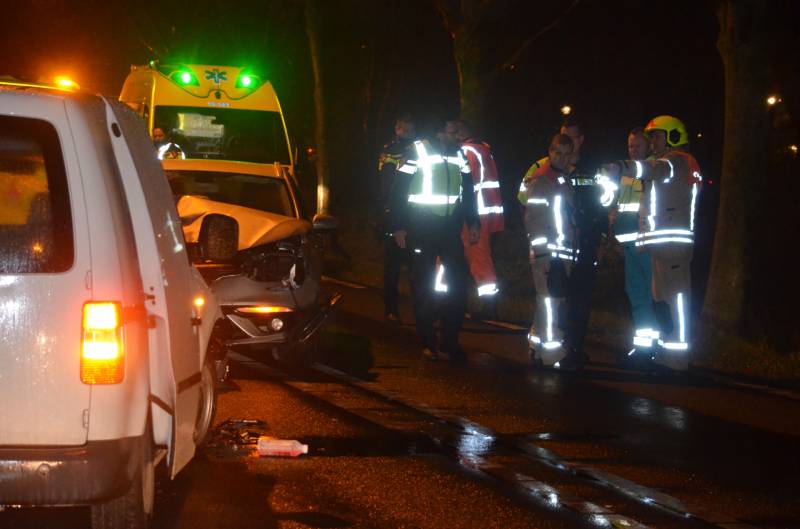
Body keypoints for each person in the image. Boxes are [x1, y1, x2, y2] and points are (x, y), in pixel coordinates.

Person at [601, 115, 702, 371]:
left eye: (656, 136)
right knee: (664, 302)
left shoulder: (675, 161)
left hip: (671, 244)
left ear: (673, 137)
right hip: (660, 244)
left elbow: (651, 169)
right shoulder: (673, 163)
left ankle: (677, 358)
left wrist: (621, 167)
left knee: (675, 302)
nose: (653, 142)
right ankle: (667, 355)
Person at [391, 120, 480, 361]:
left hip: (450, 229)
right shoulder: (417, 152)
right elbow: (398, 189)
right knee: (424, 285)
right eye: (453, 132)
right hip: (422, 228)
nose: (458, 136)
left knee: (458, 285)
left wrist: (473, 222)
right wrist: (398, 226)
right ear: (439, 133)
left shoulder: (460, 155)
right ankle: (428, 341)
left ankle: (450, 340)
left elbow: (469, 191)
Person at [523, 133, 577, 367]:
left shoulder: (562, 179)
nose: (562, 158)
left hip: (559, 250)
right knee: (549, 301)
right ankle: (551, 354)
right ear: (550, 151)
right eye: (557, 153)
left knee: (546, 300)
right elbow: (534, 219)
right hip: (547, 252)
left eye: (566, 154)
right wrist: (542, 252)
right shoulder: (543, 179)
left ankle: (536, 346)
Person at [444, 120, 504, 306]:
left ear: (459, 133)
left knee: (451, 259)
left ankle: (442, 301)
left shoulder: (466, 152)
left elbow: (464, 186)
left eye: (451, 133)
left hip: (471, 216)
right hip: (485, 214)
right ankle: (488, 305)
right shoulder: (483, 150)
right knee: (481, 261)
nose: (448, 138)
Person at [612, 127, 657, 359]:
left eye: (638, 145)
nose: (633, 150)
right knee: (636, 293)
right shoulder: (627, 174)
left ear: (649, 146)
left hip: (646, 244)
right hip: (629, 245)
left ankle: (652, 346)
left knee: (650, 294)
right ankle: (643, 345)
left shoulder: (652, 170)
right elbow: (621, 209)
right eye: (630, 146)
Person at [378, 115, 416, 323]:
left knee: (415, 268)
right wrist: (392, 220)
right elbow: (388, 188)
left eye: (409, 128)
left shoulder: (417, 150)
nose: (406, 131)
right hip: (394, 214)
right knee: (392, 267)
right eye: (402, 127)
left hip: (413, 215)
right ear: (396, 128)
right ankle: (391, 309)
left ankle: (421, 310)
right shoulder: (389, 148)